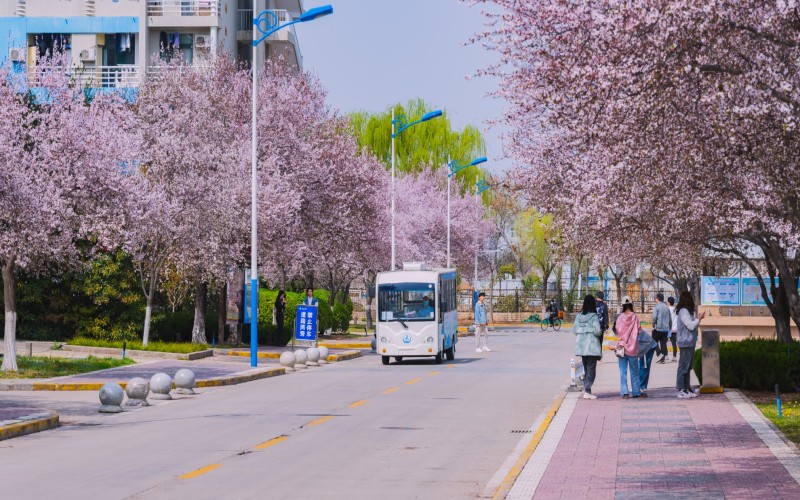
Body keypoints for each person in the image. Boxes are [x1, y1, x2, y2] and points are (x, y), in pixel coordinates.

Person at [675, 291, 705, 398]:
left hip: (690, 342)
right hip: (685, 343)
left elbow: (693, 327)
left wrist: (697, 319)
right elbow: (691, 326)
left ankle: (687, 388)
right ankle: (681, 388)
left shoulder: (687, 312)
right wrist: (699, 319)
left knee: (688, 367)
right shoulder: (683, 312)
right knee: (683, 367)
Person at [573, 294, 602, 399]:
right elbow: (598, 331)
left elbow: (575, 330)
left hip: (581, 346)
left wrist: (582, 331)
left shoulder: (579, 316)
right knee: (591, 369)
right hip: (591, 346)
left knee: (586, 368)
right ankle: (587, 390)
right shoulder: (594, 316)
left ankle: (586, 389)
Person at [615, 298, 642, 398]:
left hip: (622, 347)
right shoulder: (635, 317)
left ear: (623, 305)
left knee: (623, 372)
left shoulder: (619, 318)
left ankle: (625, 392)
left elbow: (618, 330)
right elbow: (639, 330)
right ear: (631, 305)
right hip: (633, 348)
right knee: (634, 371)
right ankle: (636, 392)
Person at [651, 293, 672, 363]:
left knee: (653, 341)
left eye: (655, 298)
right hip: (665, 328)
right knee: (663, 343)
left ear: (657, 299)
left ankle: (659, 354)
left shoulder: (656, 307)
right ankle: (662, 359)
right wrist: (670, 327)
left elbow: (654, 317)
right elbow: (670, 318)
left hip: (658, 328)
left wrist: (653, 325)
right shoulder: (667, 307)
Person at [667, 296, 678, 362]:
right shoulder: (676, 309)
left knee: (663, 342)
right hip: (675, 328)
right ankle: (674, 356)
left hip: (669, 329)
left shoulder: (668, 309)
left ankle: (665, 355)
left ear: (668, 302)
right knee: (674, 343)